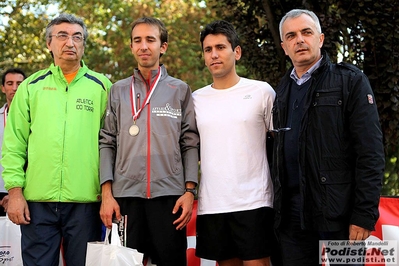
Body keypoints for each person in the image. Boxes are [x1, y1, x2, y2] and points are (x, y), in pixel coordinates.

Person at [271, 9, 385, 266]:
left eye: (306, 32)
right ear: (284, 47)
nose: (299, 39)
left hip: (339, 216)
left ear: (320, 39)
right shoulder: (280, 90)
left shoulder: (351, 81)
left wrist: (364, 214)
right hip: (291, 218)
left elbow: (371, 153)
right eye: (291, 35)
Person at [1, 13, 112, 266]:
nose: (70, 42)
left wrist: (108, 194)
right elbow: (14, 144)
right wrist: (15, 192)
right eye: (62, 36)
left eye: (77, 37)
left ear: (84, 44)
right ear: (49, 44)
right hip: (37, 202)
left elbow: (111, 145)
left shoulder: (103, 86)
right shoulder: (31, 86)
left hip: (86, 202)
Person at [99, 17, 199, 266]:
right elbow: (107, 142)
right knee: (126, 263)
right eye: (137, 40)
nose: (144, 46)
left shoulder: (180, 90)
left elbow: (189, 142)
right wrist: (107, 194)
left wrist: (189, 191)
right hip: (125, 198)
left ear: (162, 46)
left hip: (170, 198)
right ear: (132, 47)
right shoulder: (118, 91)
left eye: (150, 40)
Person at [193, 20, 276, 266]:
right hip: (213, 204)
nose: (214, 54)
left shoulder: (262, 92)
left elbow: (279, 145)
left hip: (255, 201)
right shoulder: (196, 99)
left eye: (220, 47)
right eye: (208, 49)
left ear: (236, 52)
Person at [0, 68, 26, 216]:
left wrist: (15, 193)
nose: (15, 88)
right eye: (10, 83)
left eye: (19, 83)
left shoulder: (34, 120)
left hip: (22, 192)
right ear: (3, 88)